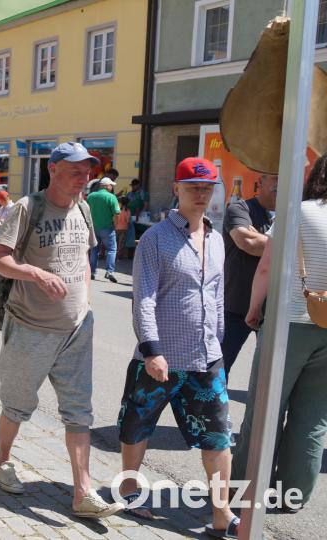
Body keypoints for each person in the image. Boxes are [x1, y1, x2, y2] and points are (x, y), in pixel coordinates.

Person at [0, 141, 121, 519]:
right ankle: (2, 461)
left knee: (80, 413)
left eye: (88, 171)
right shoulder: (27, 208)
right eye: (76, 170)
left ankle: (83, 492)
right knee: (17, 403)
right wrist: (35, 272)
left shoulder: (83, 208)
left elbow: (85, 260)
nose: (84, 177)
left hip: (77, 329)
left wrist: (85, 304)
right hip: (31, 327)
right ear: (54, 169)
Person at [117, 158, 239, 536]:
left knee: (218, 436)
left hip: (205, 359)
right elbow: (144, 298)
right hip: (159, 358)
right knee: (137, 427)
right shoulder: (156, 238)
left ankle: (222, 514)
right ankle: (129, 489)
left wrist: (217, 342)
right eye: (193, 187)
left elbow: (216, 296)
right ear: (177, 189)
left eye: (207, 188)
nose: (201, 194)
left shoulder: (217, 239)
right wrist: (152, 350)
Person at [232, 156, 327, 513]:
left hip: (290, 322)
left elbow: (267, 266)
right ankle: (294, 494)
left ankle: (245, 489)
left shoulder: (296, 212)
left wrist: (255, 309)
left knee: (265, 409)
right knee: (314, 415)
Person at [220, 173, 277, 378]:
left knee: (271, 376)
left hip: (275, 312)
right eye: (275, 178)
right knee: (218, 369)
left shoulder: (295, 213)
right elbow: (247, 242)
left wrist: (262, 239)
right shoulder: (240, 209)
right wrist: (288, 244)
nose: (280, 183)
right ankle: (212, 411)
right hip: (235, 307)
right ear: (260, 182)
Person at [86, 177, 120, 282]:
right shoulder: (111, 197)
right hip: (107, 228)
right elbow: (117, 213)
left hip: (93, 228)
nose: (112, 187)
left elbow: (86, 210)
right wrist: (116, 225)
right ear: (106, 186)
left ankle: (92, 272)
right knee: (112, 249)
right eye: (111, 185)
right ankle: (109, 272)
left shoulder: (91, 196)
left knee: (94, 250)